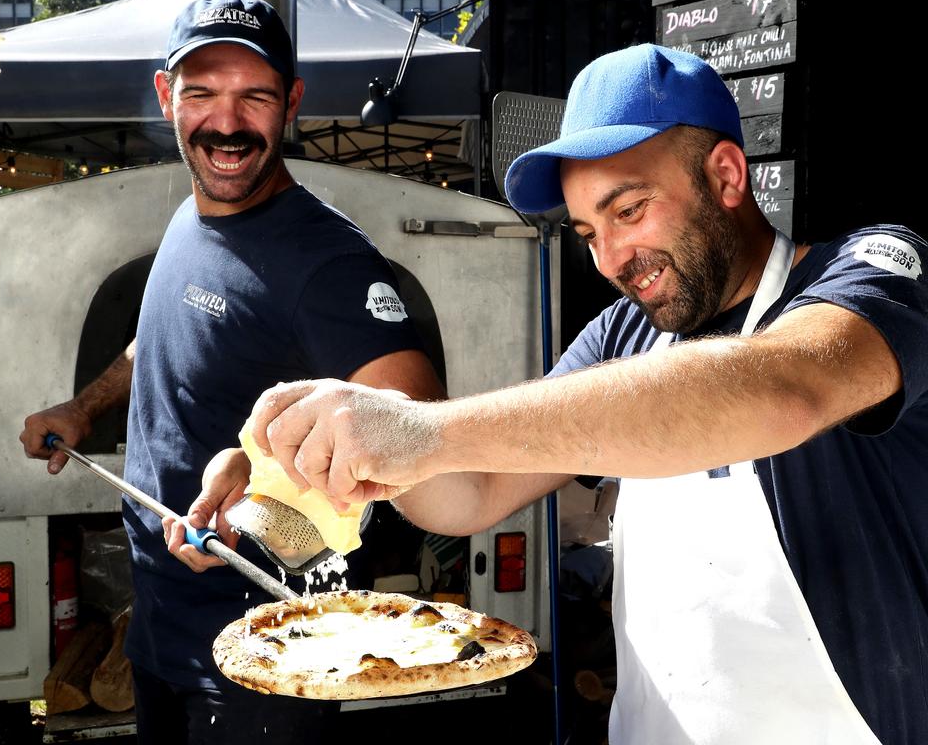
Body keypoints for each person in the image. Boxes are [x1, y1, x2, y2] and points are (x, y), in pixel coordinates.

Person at [243, 44, 928, 745]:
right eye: (588, 234)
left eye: (628, 212)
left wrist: (425, 434)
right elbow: (472, 489)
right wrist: (368, 451)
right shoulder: (624, 333)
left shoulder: (872, 276)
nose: (610, 262)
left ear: (725, 175)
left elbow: (785, 389)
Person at [18, 0, 441, 745]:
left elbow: (414, 419)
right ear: (165, 96)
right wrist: (85, 409)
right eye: (202, 93)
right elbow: (162, 335)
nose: (226, 123)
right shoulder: (195, 215)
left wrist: (258, 479)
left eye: (255, 96)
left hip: (260, 652)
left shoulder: (327, 262)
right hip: (158, 621)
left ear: (293, 104)